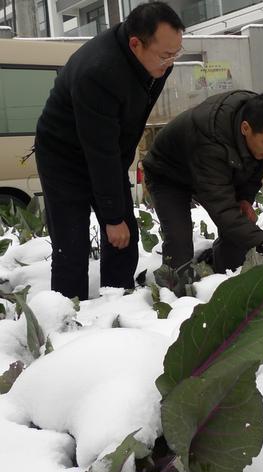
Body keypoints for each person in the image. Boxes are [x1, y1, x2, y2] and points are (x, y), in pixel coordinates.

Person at [34, 2, 184, 300]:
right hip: (63, 156)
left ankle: (117, 304)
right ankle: (68, 311)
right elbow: (99, 149)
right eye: (166, 55)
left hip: (105, 150)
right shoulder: (98, 72)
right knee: (72, 243)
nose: (170, 62)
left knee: (124, 239)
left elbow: (124, 129)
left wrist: (117, 213)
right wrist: (112, 217)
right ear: (135, 44)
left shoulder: (153, 65)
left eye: (175, 53)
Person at [142, 91, 263, 274]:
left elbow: (254, 168)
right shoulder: (210, 139)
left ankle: (227, 276)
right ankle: (176, 293)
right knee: (179, 241)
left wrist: (245, 199)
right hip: (169, 175)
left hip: (214, 172)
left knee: (240, 228)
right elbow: (223, 210)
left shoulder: (261, 123)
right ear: (245, 128)